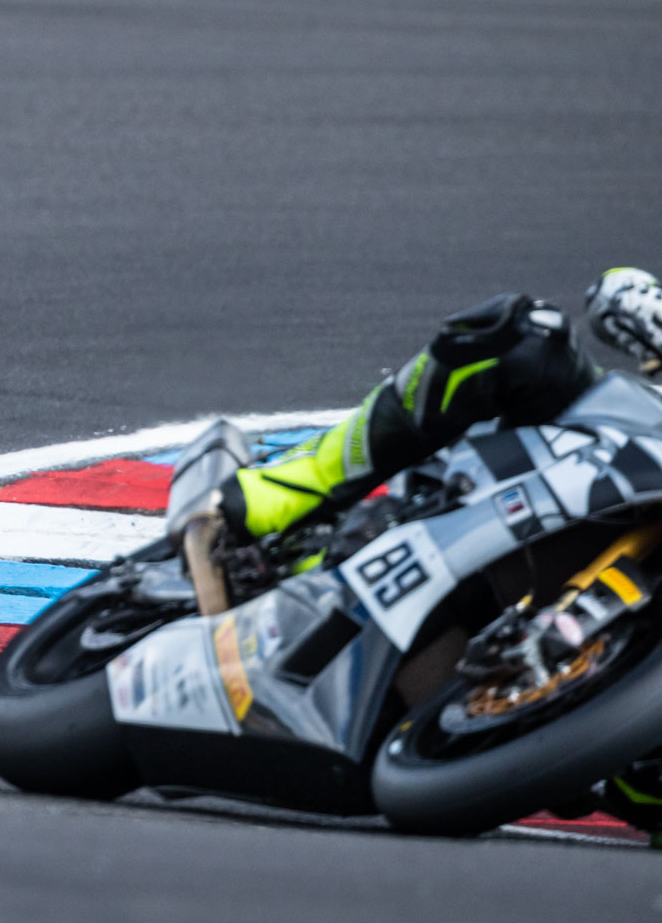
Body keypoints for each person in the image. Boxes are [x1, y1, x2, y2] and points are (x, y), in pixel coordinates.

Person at [212, 266, 662, 842]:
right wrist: (642, 309)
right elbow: (620, 289)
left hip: (568, 722)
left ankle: (584, 741)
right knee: (522, 332)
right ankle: (293, 488)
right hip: (603, 477)